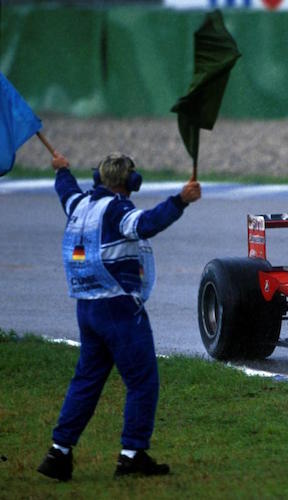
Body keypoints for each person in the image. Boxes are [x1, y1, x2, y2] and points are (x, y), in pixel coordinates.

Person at [37, 151, 201, 481]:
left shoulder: (80, 205)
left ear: (98, 179)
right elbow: (147, 224)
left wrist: (62, 170)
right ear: (131, 182)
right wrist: (180, 200)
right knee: (142, 381)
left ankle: (59, 453)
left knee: (86, 381)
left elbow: (66, 192)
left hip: (87, 308)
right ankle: (131, 455)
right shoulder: (118, 210)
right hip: (119, 310)